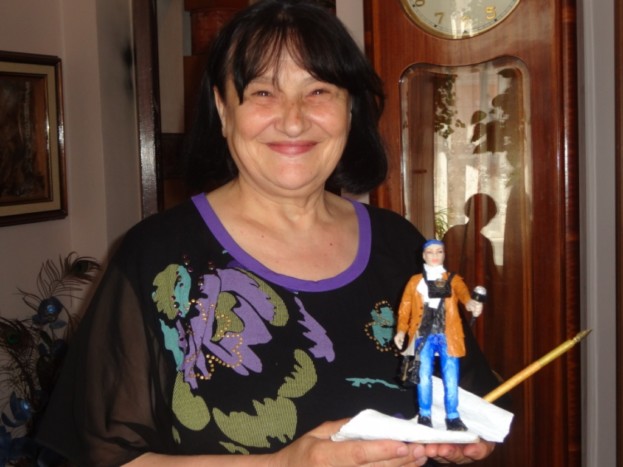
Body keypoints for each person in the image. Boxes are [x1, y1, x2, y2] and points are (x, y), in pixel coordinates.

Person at [37, 1, 501, 465]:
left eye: (318, 91)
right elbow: (105, 458)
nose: (294, 120)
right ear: (223, 110)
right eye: (263, 92)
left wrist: (460, 443)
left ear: (350, 108)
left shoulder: (401, 245)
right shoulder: (156, 256)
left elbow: (467, 394)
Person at [394, 240, 484, 432]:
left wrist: (471, 303)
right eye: (430, 252)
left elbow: (463, 294)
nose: (435, 256)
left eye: (439, 251)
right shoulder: (415, 281)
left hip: (447, 334)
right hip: (423, 334)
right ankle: (425, 414)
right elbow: (405, 307)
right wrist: (401, 330)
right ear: (423, 255)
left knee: (451, 377)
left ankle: (452, 416)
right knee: (423, 376)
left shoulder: (453, 279)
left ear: (444, 254)